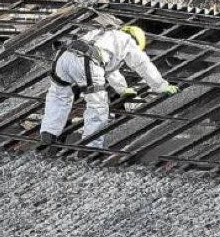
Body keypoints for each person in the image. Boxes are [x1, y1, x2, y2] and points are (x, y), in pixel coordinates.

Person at [38, 24, 179, 147]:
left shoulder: (105, 34)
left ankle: (48, 133)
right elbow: (143, 65)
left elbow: (109, 69)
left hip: (64, 56)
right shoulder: (127, 41)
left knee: (58, 96)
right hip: (86, 61)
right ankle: (91, 144)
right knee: (97, 105)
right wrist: (160, 86)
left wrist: (122, 89)